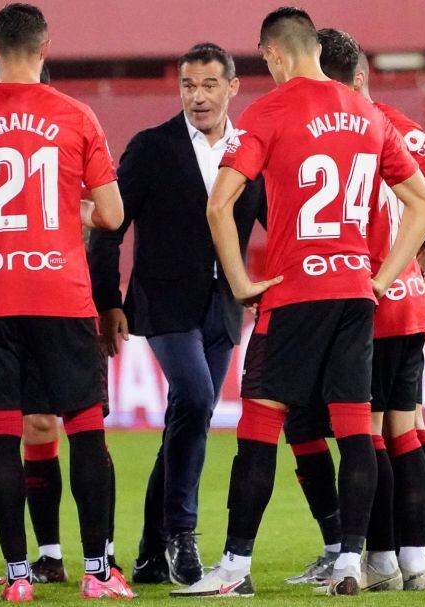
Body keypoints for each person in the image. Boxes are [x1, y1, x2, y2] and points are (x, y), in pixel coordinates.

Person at [170, 7, 425, 598]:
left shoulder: (269, 110)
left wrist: (241, 282)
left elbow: (219, 203)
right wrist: (380, 278)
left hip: (295, 294)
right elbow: (424, 204)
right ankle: (350, 563)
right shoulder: (368, 113)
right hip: (354, 295)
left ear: (273, 54)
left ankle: (234, 568)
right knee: (356, 430)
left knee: (260, 424)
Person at [0, 3, 133, 601]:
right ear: (45, 48)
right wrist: (64, 213)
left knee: (2, 435)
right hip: (61, 296)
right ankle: (98, 572)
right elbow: (113, 214)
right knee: (86, 431)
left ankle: (19, 578)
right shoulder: (77, 114)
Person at [281, 29, 425, 592]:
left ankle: (382, 559)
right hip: (408, 299)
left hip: (364, 297)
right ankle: (416, 561)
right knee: (406, 428)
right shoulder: (387, 122)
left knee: (365, 434)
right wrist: (424, 248)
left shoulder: (351, 127)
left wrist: (419, 249)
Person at [89, 42, 267, 587]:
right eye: (189, 86)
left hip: (223, 308)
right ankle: (182, 535)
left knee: (186, 420)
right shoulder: (151, 147)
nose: (198, 97)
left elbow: (279, 222)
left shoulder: (251, 150)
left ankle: (149, 552)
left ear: (232, 88)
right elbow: (109, 227)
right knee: (193, 399)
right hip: (163, 303)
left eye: (210, 85)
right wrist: (108, 301)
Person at [0, 58, 86, 585]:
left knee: (68, 425)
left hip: (54, 298)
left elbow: (99, 216)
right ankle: (45, 557)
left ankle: (91, 553)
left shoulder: (68, 128)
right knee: (25, 427)